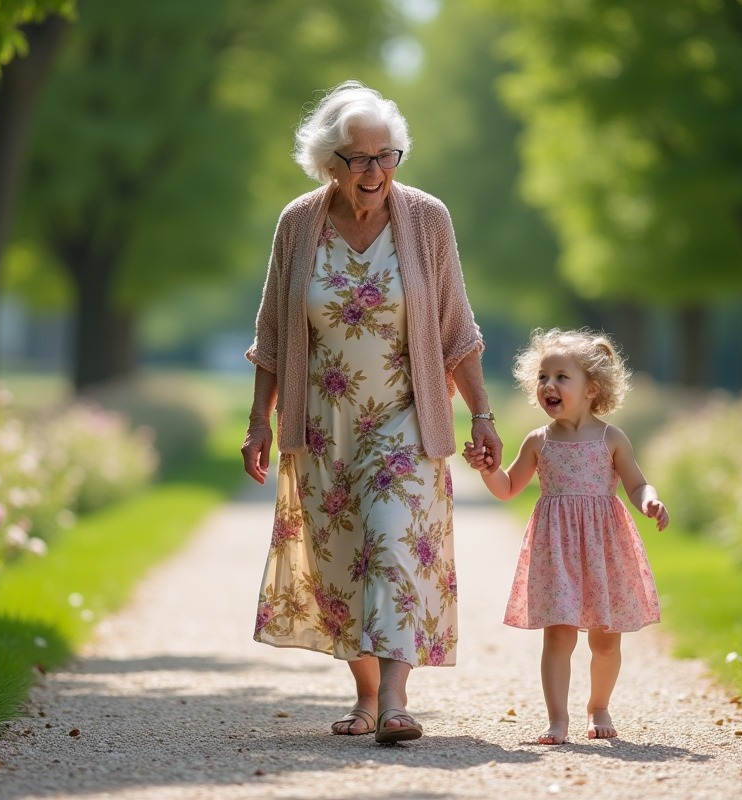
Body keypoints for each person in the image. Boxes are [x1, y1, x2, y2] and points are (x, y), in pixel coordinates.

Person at [241, 81, 502, 744]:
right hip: (324, 424)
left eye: (388, 156)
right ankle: (364, 698)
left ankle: (393, 701)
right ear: (330, 163)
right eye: (359, 160)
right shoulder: (298, 225)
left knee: (390, 548)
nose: (376, 172)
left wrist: (483, 415)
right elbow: (273, 332)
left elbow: (456, 329)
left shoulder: (427, 220)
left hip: (404, 417)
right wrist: (258, 423)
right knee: (345, 564)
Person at [463, 328, 667, 745]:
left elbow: (636, 484)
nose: (548, 385)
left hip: (604, 547)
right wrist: (486, 468)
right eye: (542, 377)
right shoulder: (539, 441)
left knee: (606, 641)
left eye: (560, 377)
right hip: (556, 550)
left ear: (592, 389)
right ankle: (558, 719)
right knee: (558, 634)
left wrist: (650, 500)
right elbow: (507, 489)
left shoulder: (612, 438)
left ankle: (599, 705)